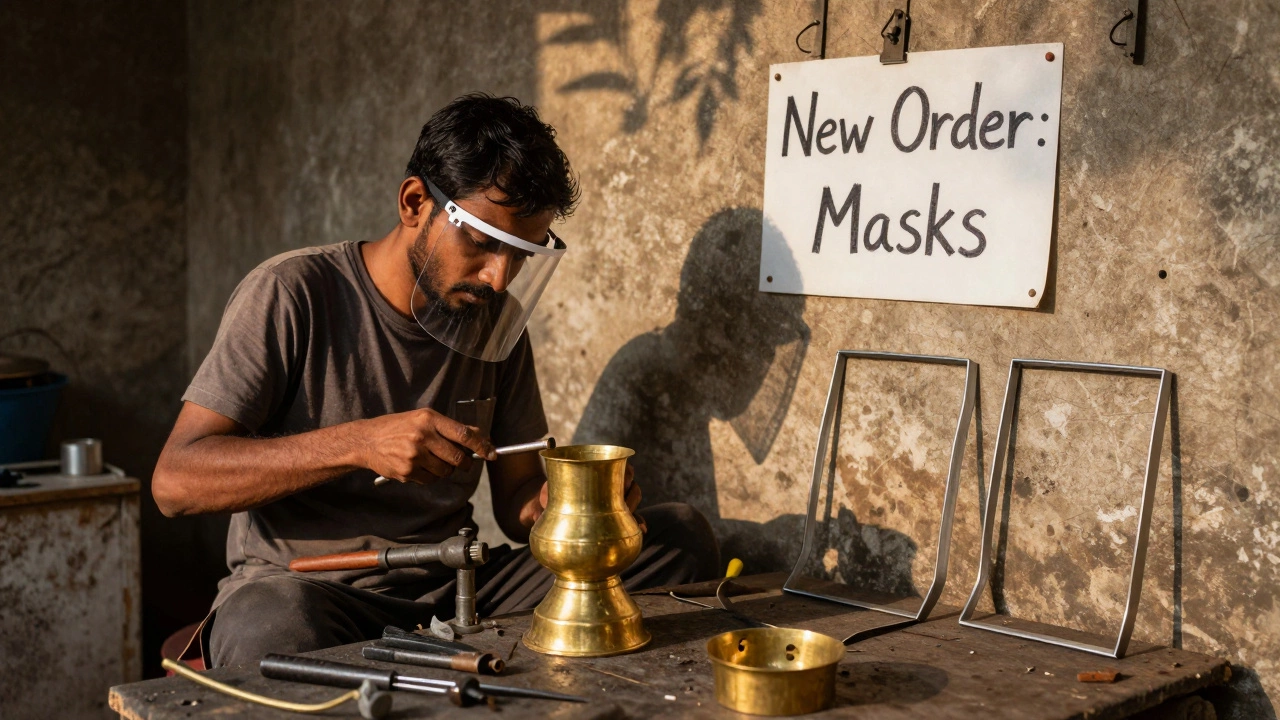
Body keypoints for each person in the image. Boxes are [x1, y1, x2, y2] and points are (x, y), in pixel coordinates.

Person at [152, 93, 720, 667]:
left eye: (521, 254)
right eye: (482, 243)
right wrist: (360, 444)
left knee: (678, 540)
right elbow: (175, 483)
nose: (499, 278)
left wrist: (569, 510)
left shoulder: (495, 323)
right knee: (267, 629)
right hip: (313, 590)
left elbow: (518, 502)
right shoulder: (291, 293)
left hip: (457, 585)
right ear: (415, 202)